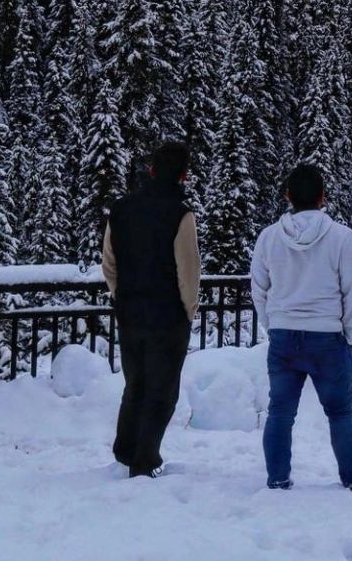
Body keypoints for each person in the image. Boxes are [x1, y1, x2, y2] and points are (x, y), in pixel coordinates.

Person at [249, 163, 352, 495]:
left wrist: (272, 325)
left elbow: (259, 289)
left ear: (288, 196)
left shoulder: (269, 237)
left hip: (284, 334)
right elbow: (351, 292)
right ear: (323, 197)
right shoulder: (341, 237)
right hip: (327, 336)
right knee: (341, 412)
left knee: (280, 412)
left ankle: (277, 480)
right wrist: (349, 335)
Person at [102, 140, 201, 479]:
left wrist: (120, 294)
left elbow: (109, 262)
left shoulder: (121, 209)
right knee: (162, 390)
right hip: (167, 315)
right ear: (183, 176)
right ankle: (145, 459)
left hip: (129, 311)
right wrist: (188, 310)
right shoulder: (180, 214)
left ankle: (126, 448)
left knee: (136, 383)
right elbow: (188, 270)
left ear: (151, 170)